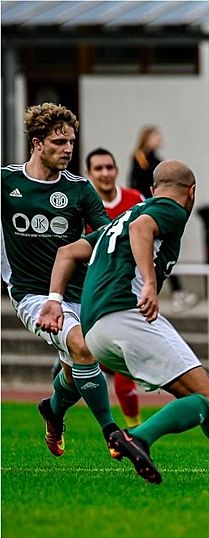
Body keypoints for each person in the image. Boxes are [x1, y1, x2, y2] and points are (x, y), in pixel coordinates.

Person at [39, 160, 209, 486]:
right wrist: (150, 285)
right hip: (127, 316)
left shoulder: (121, 219)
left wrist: (54, 299)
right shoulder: (170, 209)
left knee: (205, 392)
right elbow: (143, 229)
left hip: (95, 331)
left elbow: (67, 252)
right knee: (207, 399)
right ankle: (138, 437)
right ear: (191, 192)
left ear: (151, 189)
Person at [1, 103, 120, 457]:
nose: (68, 149)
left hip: (81, 292)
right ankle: (113, 434)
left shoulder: (80, 189)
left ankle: (53, 411)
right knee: (82, 348)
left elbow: (104, 234)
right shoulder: (7, 182)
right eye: (58, 142)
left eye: (71, 141)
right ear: (37, 144)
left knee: (76, 365)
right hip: (33, 295)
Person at [85, 147, 145, 426]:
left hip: (125, 294)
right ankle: (56, 410)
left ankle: (133, 430)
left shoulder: (135, 200)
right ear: (89, 173)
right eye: (98, 168)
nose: (105, 173)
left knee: (125, 359)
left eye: (109, 167)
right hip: (89, 298)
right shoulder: (82, 203)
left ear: (116, 170)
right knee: (76, 363)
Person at [129, 125, 198, 313]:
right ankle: (166, 291)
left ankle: (176, 293)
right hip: (150, 212)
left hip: (157, 212)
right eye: (155, 136)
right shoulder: (141, 158)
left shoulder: (156, 160)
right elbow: (136, 185)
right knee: (154, 254)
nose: (159, 139)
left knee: (163, 254)